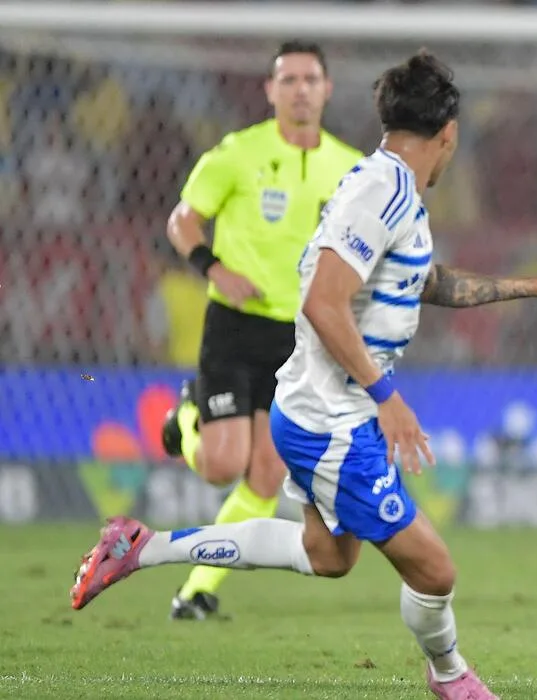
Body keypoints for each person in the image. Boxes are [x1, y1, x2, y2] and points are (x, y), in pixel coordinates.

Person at [72, 50, 537, 700]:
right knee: (435, 571)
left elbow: (425, 282)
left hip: (317, 408)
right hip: (333, 419)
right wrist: (388, 398)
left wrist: (536, 287)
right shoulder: (379, 195)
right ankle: (450, 678)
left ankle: (141, 547)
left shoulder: (384, 185)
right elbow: (323, 301)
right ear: (448, 134)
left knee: (328, 555)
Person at [159, 40, 364, 620]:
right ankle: (186, 419)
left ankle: (197, 590)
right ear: (270, 90)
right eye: (289, 79)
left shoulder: (348, 167)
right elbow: (184, 220)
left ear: (326, 89)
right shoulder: (237, 153)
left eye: (310, 79)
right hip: (235, 324)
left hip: (299, 336)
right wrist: (214, 269)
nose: (300, 89)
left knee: (268, 472)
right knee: (223, 465)